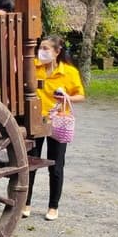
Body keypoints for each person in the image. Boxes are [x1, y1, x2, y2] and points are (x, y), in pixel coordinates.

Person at [25, 35, 86, 221]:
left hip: (58, 122)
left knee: (56, 166)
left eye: (45, 48)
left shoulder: (69, 72)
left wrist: (67, 97)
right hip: (36, 121)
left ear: (57, 52)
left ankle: (53, 206)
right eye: (40, 48)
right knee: (30, 163)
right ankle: (25, 203)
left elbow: (81, 95)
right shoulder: (33, 67)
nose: (41, 52)